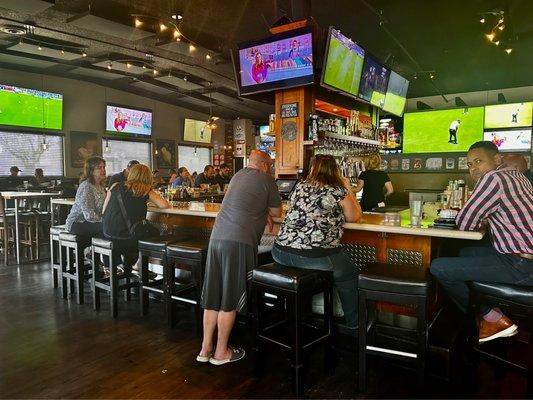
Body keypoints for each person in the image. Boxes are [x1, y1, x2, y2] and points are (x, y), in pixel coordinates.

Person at [430, 141, 533, 343]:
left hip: (522, 265)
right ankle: (491, 309)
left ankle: (490, 317)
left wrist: (479, 216)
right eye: (469, 164)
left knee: (438, 267)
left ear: (496, 159)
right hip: (522, 257)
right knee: (464, 253)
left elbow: (465, 222)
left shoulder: (493, 178)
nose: (473, 168)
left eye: (478, 161)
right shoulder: (517, 176)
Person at [198, 150, 281, 365]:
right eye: (269, 165)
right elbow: (277, 211)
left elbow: (238, 204)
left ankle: (205, 349)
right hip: (239, 242)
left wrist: (261, 212)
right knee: (229, 299)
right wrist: (265, 212)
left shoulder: (236, 176)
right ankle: (221, 353)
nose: (270, 168)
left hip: (217, 239)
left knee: (213, 296)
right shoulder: (267, 179)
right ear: (263, 165)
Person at [273, 154, 362, 328]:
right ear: (336, 170)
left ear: (313, 169)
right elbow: (354, 216)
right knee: (349, 274)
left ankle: (300, 317)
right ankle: (354, 324)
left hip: (280, 252)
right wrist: (348, 188)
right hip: (315, 257)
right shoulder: (337, 189)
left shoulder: (300, 186)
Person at [102, 164, 169, 270]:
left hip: (107, 234)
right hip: (127, 238)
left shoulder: (115, 186)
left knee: (143, 232)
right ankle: (139, 263)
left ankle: (122, 265)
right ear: (148, 177)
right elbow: (165, 205)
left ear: (131, 174)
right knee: (154, 233)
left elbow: (103, 210)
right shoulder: (146, 190)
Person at [65, 156, 107, 237]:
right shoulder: (86, 186)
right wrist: (105, 221)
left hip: (94, 222)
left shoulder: (101, 186)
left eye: (104, 167)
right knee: (108, 228)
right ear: (91, 171)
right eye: (99, 168)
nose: (103, 170)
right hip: (77, 223)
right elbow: (89, 215)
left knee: (114, 227)